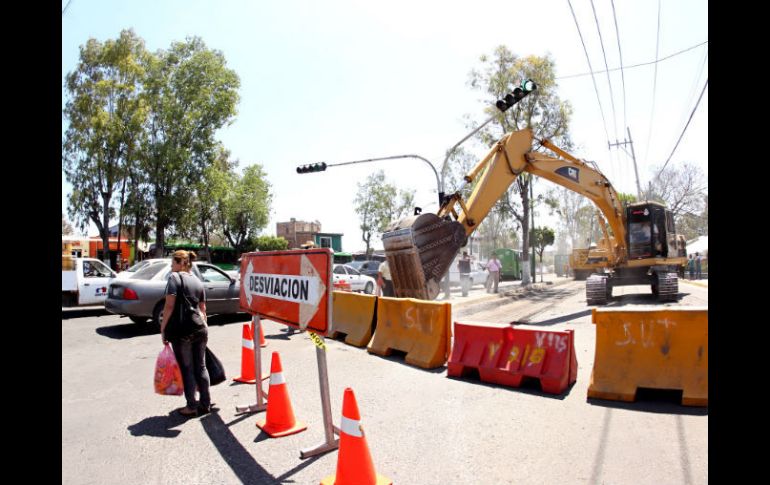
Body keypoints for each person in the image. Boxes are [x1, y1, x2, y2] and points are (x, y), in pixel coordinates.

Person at [160, 250, 211, 417]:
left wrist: (163, 328)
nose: (170, 266)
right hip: (200, 328)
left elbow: (169, 307)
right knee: (201, 367)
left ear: (181, 263)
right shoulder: (197, 280)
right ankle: (205, 404)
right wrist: (205, 327)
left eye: (172, 263)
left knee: (187, 368)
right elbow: (203, 309)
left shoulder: (174, 279)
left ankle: (191, 406)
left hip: (183, 331)